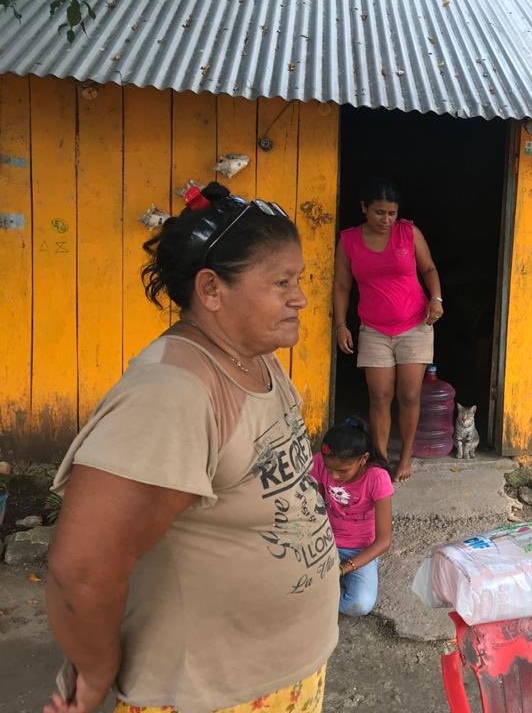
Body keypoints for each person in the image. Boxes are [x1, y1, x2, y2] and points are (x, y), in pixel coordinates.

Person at [43, 182, 338, 713]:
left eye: (300, 279)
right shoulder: (171, 392)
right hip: (208, 695)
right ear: (211, 290)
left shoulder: (255, 359)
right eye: (281, 282)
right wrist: (95, 670)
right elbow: (82, 571)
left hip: (285, 675)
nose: (301, 297)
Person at [333, 180, 443, 483]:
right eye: (379, 212)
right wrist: (341, 324)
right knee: (379, 395)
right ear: (363, 208)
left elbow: (429, 269)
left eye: (392, 213)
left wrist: (436, 299)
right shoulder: (350, 240)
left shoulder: (409, 233)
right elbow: (342, 284)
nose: (386, 220)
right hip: (374, 328)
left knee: (409, 395)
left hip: (415, 325)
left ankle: (406, 456)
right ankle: (380, 459)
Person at [311, 417, 394, 617]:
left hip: (360, 549)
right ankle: (320, 592)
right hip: (325, 541)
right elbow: (316, 502)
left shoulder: (377, 478)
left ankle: (320, 597)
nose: (334, 476)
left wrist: (343, 569)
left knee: (359, 605)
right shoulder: (320, 462)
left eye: (342, 470)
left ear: (363, 459)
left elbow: (383, 542)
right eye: (329, 469)